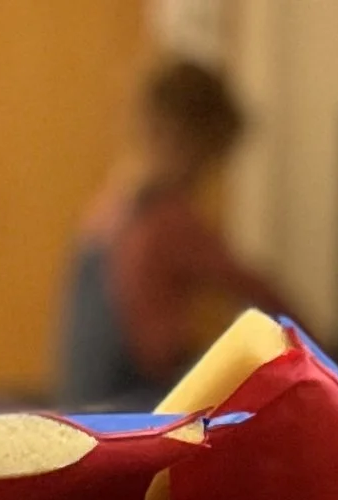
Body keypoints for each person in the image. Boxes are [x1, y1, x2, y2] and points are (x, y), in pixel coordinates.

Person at [56, 59, 283, 410]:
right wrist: (322, 352)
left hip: (82, 409)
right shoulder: (169, 219)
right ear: (184, 140)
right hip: (134, 409)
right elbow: (259, 293)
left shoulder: (105, 211)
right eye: (208, 159)